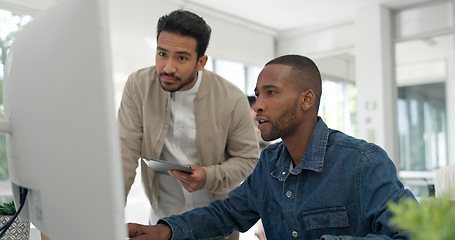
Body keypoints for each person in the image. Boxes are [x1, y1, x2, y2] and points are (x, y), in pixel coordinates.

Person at [127, 54, 417, 240]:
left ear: (306, 100)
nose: (258, 105)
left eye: (271, 93)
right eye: (257, 94)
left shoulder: (363, 162)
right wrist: (164, 230)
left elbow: (414, 233)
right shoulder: (269, 163)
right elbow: (227, 213)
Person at [117, 9, 260, 240]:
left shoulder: (231, 98)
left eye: (181, 58)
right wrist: (108, 218)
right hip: (160, 225)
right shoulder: (138, 86)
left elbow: (248, 161)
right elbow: (123, 154)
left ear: (201, 61)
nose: (168, 67)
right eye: (162, 54)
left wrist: (209, 176)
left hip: (216, 228)